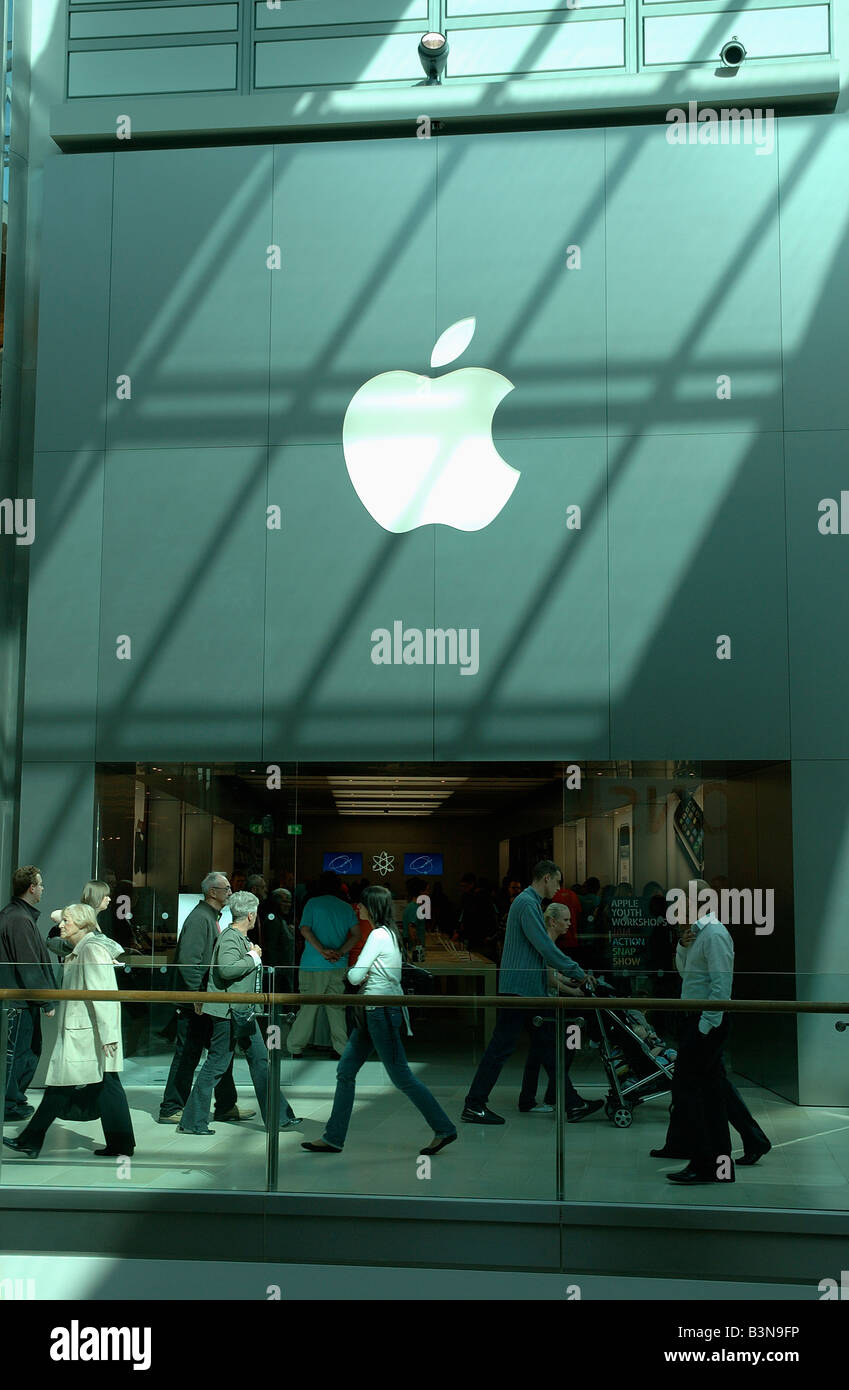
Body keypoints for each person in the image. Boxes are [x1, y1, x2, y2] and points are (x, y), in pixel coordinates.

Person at [301, 885, 457, 1156]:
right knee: (346, 1071)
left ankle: (444, 1128)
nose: (357, 908)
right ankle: (333, 1137)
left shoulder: (377, 936)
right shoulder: (390, 934)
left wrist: (351, 971)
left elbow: (354, 977)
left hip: (379, 1011)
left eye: (361, 905)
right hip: (376, 1011)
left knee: (401, 1076)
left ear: (371, 907)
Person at [462, 860, 594, 1126]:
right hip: (521, 991)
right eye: (557, 881)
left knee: (546, 1048)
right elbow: (544, 946)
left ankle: (572, 1102)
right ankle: (474, 1104)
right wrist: (577, 972)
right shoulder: (526, 904)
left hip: (526, 989)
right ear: (546, 878)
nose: (558, 888)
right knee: (503, 1048)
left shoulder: (527, 903)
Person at [653, 879, 768, 1184]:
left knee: (692, 1092)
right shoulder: (699, 934)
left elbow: (721, 986)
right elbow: (687, 974)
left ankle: (708, 1162)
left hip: (705, 1022)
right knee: (712, 1093)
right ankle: (718, 1164)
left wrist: (706, 1025)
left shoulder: (715, 934)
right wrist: (682, 945)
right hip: (698, 1020)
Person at [2, 903, 134, 1158]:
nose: (61, 925)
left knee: (66, 1086)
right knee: (102, 1086)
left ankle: (31, 1140)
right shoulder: (81, 949)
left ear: (83, 924)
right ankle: (121, 1144)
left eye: (66, 921)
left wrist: (108, 1036)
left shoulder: (91, 951)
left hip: (89, 1034)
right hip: (84, 1032)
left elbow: (102, 995)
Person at [177, 892, 300, 1135]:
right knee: (218, 1065)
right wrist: (253, 956)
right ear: (251, 915)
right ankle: (192, 1121)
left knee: (259, 1063)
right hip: (231, 1012)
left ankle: (280, 1117)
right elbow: (226, 969)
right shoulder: (232, 939)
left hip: (241, 1012)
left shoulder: (235, 937)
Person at [158, 871, 254, 1125]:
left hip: (203, 999)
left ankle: (225, 1105)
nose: (231, 892)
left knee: (218, 1053)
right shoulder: (201, 919)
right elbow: (188, 961)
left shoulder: (208, 917)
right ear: (213, 892)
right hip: (196, 1002)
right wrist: (195, 996)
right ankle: (171, 1107)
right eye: (227, 888)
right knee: (189, 1053)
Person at [518, 902, 603, 1122]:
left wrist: (570, 982)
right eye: (565, 920)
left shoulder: (549, 941)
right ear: (553, 921)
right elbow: (548, 977)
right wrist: (573, 991)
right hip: (542, 1005)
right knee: (558, 1051)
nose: (569, 923)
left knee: (540, 1053)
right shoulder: (545, 942)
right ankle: (561, 1098)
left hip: (541, 1003)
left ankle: (541, 1097)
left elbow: (553, 974)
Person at [0, 866, 57, 1122]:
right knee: (19, 1054)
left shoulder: (16, 916)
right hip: (19, 1003)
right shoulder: (19, 919)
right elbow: (28, 964)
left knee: (23, 1053)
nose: (43, 888)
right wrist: (45, 1000)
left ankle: (12, 1101)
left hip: (19, 1001)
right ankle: (9, 1104)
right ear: (31, 887)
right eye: (41, 884)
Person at [286, 871, 359, 1059]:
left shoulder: (313, 904)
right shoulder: (346, 907)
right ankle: (341, 1048)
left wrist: (321, 950)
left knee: (308, 1008)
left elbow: (304, 929)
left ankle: (295, 1047)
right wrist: (341, 952)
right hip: (338, 964)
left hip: (313, 963)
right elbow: (356, 934)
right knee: (336, 1009)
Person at [46, 880, 114, 957]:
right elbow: (54, 915)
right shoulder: (81, 915)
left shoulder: (95, 918)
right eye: (106, 896)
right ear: (98, 896)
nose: (109, 899)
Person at [401, 879, 427, 962]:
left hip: (412, 947)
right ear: (421, 892)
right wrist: (419, 948)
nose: (428, 893)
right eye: (427, 890)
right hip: (415, 947)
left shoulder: (411, 906)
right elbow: (412, 929)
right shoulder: (415, 908)